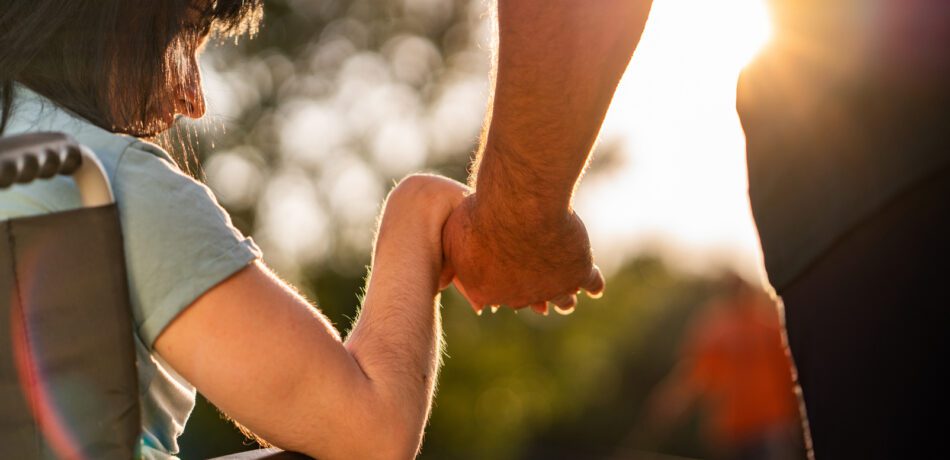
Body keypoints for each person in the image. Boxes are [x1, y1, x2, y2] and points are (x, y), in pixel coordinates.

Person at [442, 0, 950, 457]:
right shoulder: (734, 326)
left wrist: (520, 218)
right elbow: (697, 378)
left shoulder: (741, 324)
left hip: (881, 170)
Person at [0, 1, 468, 458]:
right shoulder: (101, 177)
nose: (194, 99)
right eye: (182, 35)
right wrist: (416, 212)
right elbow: (371, 437)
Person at [644, 274, 801, 460]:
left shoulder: (769, 324)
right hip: (733, 430)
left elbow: (792, 371)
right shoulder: (717, 329)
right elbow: (694, 373)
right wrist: (670, 401)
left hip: (771, 424)